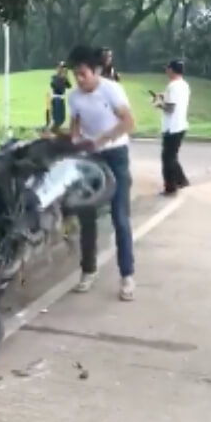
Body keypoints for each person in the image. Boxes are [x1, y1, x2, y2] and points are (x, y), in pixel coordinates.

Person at [67, 45, 137, 301]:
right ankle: (88, 270)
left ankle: (127, 276)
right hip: (90, 158)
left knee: (120, 218)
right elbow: (74, 127)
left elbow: (129, 123)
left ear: (95, 70)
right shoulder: (74, 97)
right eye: (76, 75)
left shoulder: (111, 89)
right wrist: (75, 143)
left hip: (115, 156)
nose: (79, 79)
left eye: (83, 74)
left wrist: (103, 139)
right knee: (86, 218)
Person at [153, 59, 191, 196]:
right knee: (172, 156)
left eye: (167, 68)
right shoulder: (184, 85)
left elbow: (170, 108)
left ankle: (170, 187)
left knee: (167, 158)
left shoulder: (173, 86)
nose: (166, 70)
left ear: (171, 70)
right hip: (180, 125)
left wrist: (158, 104)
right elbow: (174, 99)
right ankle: (181, 180)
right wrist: (162, 96)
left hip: (172, 127)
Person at [48, 62, 71, 131]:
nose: (62, 70)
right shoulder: (54, 77)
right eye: (60, 68)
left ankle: (54, 130)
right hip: (56, 99)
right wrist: (62, 78)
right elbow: (55, 86)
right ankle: (52, 131)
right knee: (57, 119)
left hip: (61, 99)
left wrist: (66, 77)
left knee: (62, 118)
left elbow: (69, 86)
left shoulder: (63, 78)